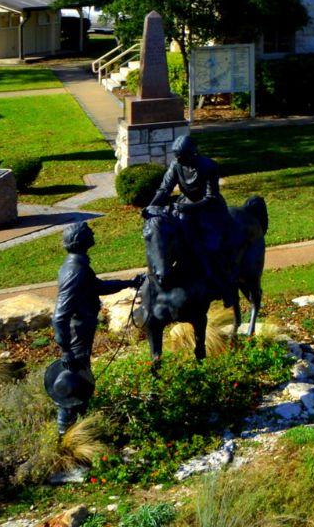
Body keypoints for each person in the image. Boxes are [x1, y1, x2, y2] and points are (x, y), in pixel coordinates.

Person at [48, 222, 135, 432]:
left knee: (80, 376)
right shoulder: (75, 271)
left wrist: (129, 282)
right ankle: (65, 432)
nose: (93, 232)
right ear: (80, 240)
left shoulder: (79, 266)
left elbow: (98, 287)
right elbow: (59, 317)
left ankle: (79, 424)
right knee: (71, 381)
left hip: (82, 331)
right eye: (89, 232)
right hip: (75, 333)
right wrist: (66, 351)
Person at [149, 133, 239, 290]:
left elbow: (211, 197)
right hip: (185, 205)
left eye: (181, 157)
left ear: (192, 154)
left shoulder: (208, 166)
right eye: (176, 157)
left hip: (209, 209)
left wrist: (190, 208)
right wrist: (151, 207)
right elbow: (165, 189)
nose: (178, 160)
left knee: (211, 246)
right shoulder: (176, 165)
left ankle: (219, 280)